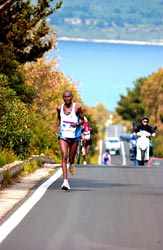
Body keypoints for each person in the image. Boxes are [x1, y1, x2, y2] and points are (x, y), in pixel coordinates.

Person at [57, 90, 84, 191]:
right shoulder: (59, 108)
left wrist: (77, 124)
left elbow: (82, 120)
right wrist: (58, 128)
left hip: (75, 137)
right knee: (64, 156)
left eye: (68, 97)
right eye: (65, 97)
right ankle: (65, 182)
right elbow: (59, 119)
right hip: (63, 136)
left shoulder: (77, 107)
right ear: (63, 98)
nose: (66, 98)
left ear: (72, 97)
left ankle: (72, 164)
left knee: (71, 158)